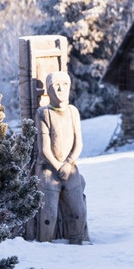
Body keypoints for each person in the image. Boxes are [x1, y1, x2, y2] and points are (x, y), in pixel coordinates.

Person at [36, 71, 89, 243]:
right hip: (49, 170)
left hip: (70, 170)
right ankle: (45, 245)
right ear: (49, 90)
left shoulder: (73, 112)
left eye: (65, 84)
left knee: (79, 212)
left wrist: (68, 164)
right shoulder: (43, 113)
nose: (61, 89)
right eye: (56, 85)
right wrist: (58, 167)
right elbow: (44, 149)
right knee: (49, 215)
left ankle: (78, 244)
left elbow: (78, 144)